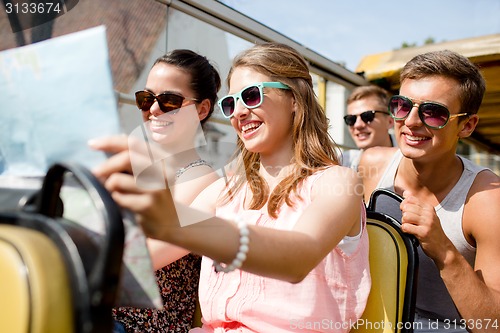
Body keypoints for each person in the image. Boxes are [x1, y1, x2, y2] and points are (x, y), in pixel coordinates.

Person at [98, 42, 370, 333]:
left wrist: (173, 224)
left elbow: (298, 258)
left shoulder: (338, 182)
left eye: (251, 96)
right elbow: (139, 249)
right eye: (231, 103)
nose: (238, 112)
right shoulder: (225, 190)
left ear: (295, 98)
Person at [358, 50, 500, 332]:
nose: (410, 122)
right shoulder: (372, 165)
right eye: (401, 105)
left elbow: (494, 324)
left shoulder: (487, 200)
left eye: (433, 112)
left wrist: (445, 251)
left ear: (467, 125)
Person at [92, 49, 221, 333]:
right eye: (146, 98)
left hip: (142, 324)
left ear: (202, 109)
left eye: (170, 101)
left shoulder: (202, 179)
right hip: (106, 313)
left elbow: (147, 258)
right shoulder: (136, 165)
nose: (153, 110)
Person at [342, 85, 395, 170]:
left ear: (390, 122)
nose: (357, 125)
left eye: (367, 116)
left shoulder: (412, 160)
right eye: (351, 119)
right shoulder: (343, 163)